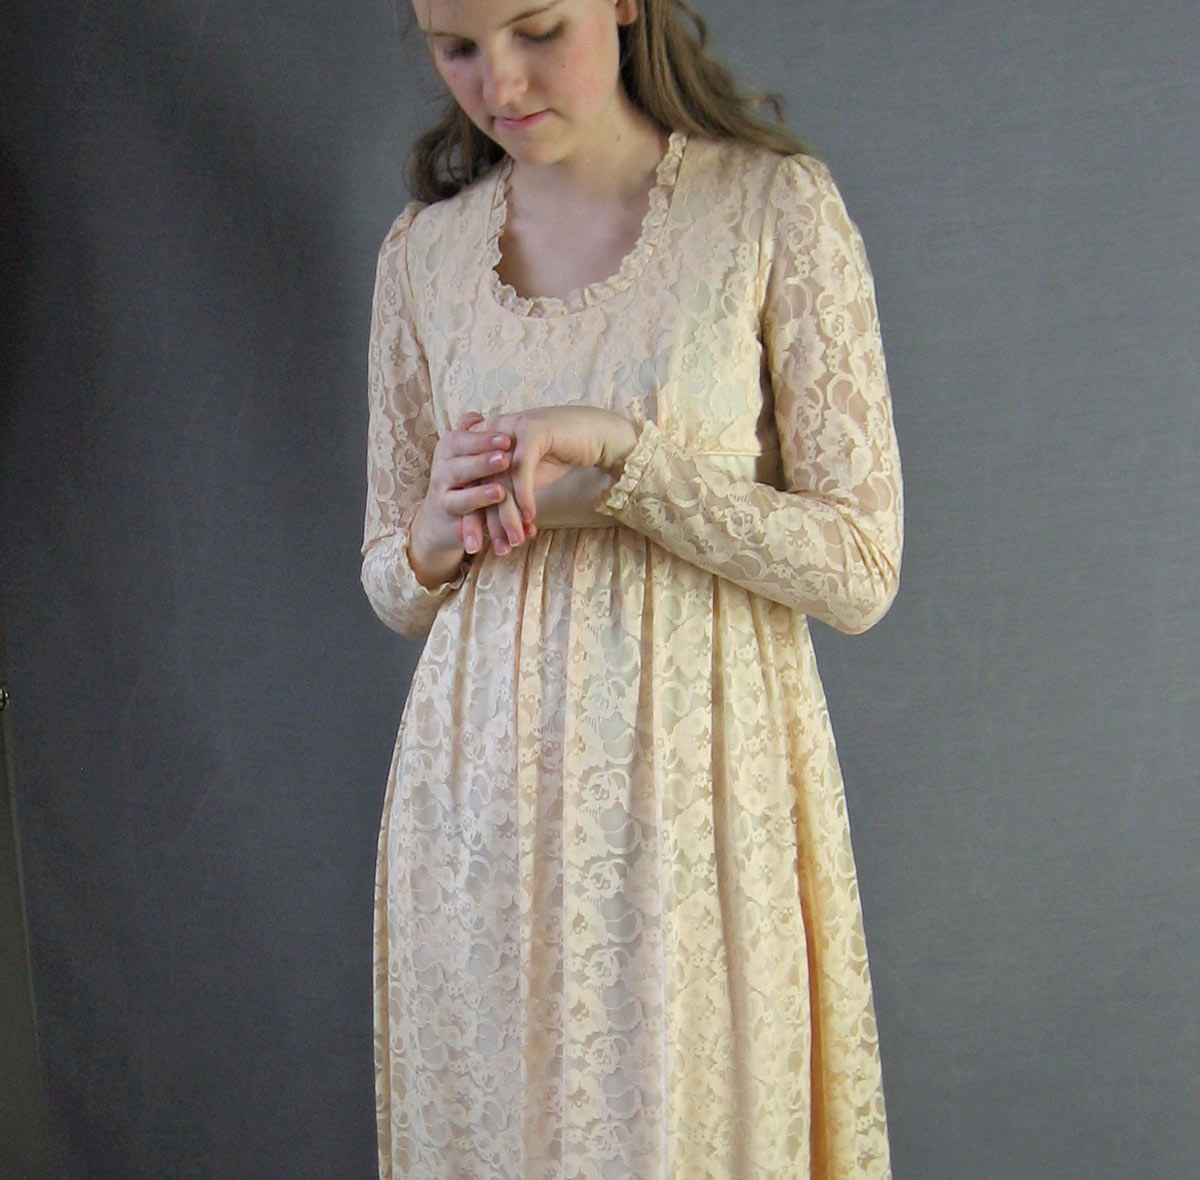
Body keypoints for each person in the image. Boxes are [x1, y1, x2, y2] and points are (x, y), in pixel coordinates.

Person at [360, 0, 903, 1176]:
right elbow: (392, 584)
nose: (501, 84)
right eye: (457, 48)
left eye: (536, 28)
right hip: (482, 814)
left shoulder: (767, 209)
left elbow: (860, 568)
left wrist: (626, 457)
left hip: (701, 805)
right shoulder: (424, 256)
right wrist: (437, 528)